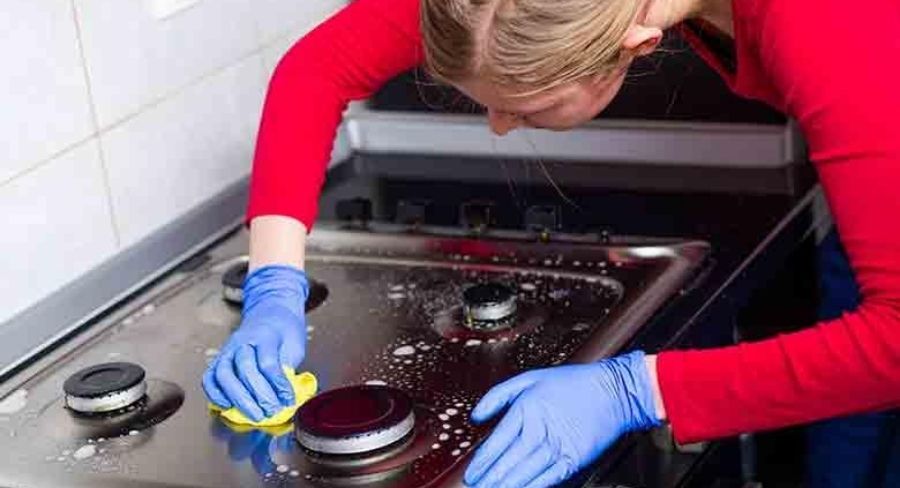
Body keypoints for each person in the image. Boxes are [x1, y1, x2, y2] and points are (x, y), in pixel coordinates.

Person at [201, 0, 900, 486]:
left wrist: (636, 390)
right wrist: (275, 286)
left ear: (635, 44)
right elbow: (316, 71)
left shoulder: (824, 21)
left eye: (523, 103)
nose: (500, 128)